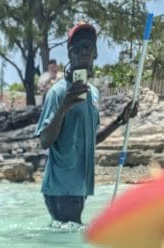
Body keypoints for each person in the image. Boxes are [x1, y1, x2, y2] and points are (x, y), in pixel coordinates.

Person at [35, 21, 138, 224]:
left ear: (95, 54)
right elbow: (44, 141)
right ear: (70, 54)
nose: (84, 52)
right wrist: (64, 107)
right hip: (61, 188)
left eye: (88, 47)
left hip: (79, 187)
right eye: (78, 48)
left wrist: (120, 120)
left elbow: (90, 140)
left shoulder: (93, 93)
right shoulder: (58, 92)